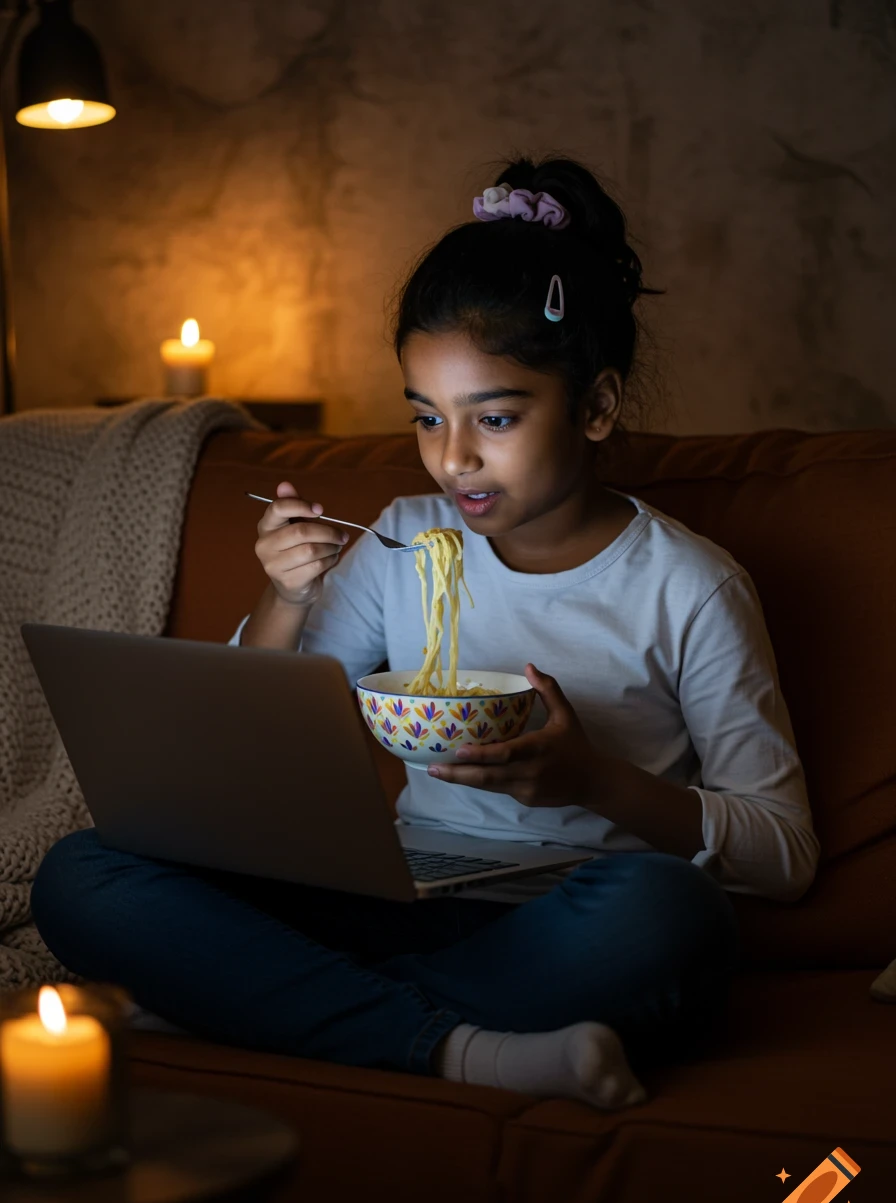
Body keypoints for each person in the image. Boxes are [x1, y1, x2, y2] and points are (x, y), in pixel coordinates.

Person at [32, 154, 820, 1110]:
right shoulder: (406, 541)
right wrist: (283, 595)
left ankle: (253, 1003)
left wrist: (593, 783)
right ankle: (461, 1048)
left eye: (495, 417)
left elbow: (782, 852)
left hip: (560, 924)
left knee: (672, 916)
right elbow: (247, 745)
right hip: (393, 897)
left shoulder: (688, 588)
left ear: (599, 405)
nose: (455, 460)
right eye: (425, 419)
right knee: (85, 871)